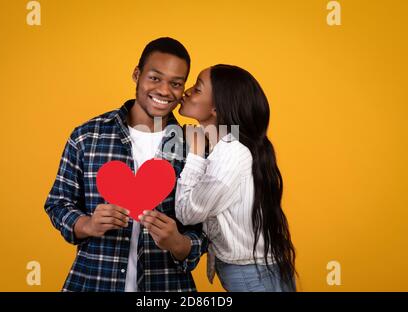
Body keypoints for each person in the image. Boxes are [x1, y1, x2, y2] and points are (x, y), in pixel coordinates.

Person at [44, 37, 207, 292]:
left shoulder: (195, 147)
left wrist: (179, 243)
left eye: (176, 83)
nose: (165, 91)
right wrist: (87, 224)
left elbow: (207, 228)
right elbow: (57, 203)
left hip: (167, 288)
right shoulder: (87, 136)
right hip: (94, 282)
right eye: (155, 78)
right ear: (137, 74)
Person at [176, 64, 296, 292]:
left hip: (253, 278)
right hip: (259, 274)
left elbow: (186, 213)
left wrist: (194, 154)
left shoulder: (231, 152)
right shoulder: (231, 146)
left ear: (216, 109)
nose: (187, 91)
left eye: (198, 88)